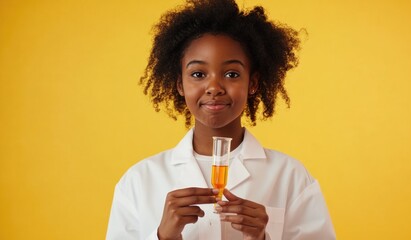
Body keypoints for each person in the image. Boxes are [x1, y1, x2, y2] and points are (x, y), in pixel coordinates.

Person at [106, 0, 336, 239]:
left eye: (231, 74)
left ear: (253, 83)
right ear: (179, 84)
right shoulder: (138, 181)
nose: (214, 87)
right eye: (198, 74)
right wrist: (162, 236)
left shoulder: (291, 176)